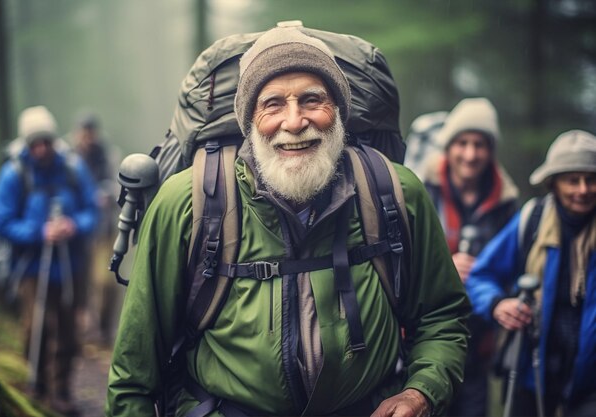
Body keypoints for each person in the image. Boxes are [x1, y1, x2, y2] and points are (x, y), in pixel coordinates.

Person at [106, 26, 470, 417]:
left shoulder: (395, 193)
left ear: (339, 112)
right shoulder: (188, 204)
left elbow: (442, 318)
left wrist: (421, 392)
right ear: (249, 120)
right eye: (273, 104)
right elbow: (134, 375)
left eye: (312, 100)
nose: (294, 122)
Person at [466, 130, 596, 416]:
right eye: (573, 180)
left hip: (590, 385)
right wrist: (498, 304)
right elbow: (480, 276)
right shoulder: (532, 221)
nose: (583, 189)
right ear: (554, 183)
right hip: (532, 371)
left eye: (591, 179)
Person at [0, 105, 98, 416]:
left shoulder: (71, 168)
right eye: (34, 143)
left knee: (68, 330)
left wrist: (73, 225)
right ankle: (37, 387)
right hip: (31, 269)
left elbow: (92, 209)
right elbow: (2, 222)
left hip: (69, 267)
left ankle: (62, 390)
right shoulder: (14, 174)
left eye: (46, 142)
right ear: (26, 145)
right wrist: (39, 232)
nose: (41, 149)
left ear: (53, 140)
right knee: (35, 329)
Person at [420, 98, 519, 416]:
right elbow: (402, 258)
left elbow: (514, 267)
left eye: (480, 144)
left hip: (480, 338)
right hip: (425, 333)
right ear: (449, 146)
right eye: (462, 143)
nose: (471, 154)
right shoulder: (420, 189)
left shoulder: (507, 203)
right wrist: (445, 266)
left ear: (491, 150)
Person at [70, 112, 122, 346]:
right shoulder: (70, 158)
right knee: (80, 281)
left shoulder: (107, 155)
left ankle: (103, 328)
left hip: (103, 228)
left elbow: (118, 184)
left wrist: (106, 194)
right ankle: (82, 329)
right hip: (77, 232)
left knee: (106, 280)